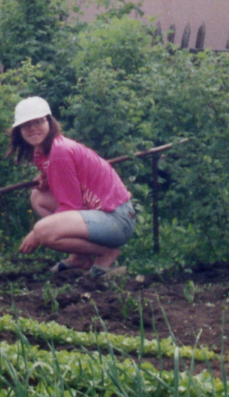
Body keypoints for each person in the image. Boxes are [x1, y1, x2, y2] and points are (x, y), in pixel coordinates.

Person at [8, 96, 135, 276]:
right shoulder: (43, 152)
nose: (32, 128)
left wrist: (36, 234)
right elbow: (66, 184)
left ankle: (106, 253)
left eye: (38, 121)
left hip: (117, 219)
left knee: (44, 231)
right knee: (38, 197)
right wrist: (46, 177)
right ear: (19, 130)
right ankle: (80, 257)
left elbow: (71, 206)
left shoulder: (60, 151)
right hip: (98, 214)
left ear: (49, 122)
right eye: (26, 125)